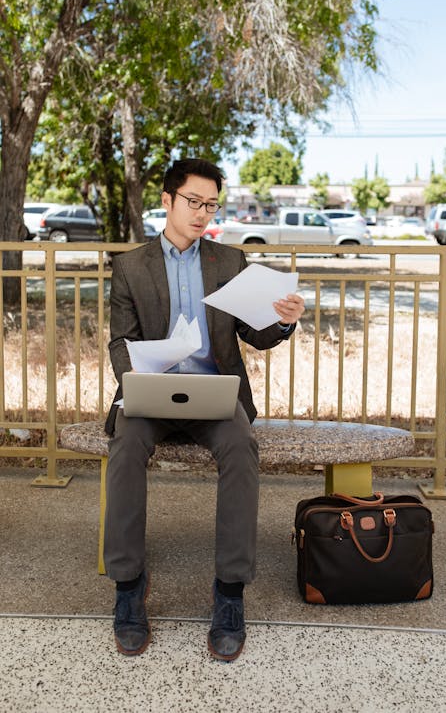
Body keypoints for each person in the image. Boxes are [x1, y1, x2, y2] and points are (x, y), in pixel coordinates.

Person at [104, 158, 305, 661]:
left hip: (215, 392)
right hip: (151, 391)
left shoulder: (227, 261)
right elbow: (119, 344)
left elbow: (253, 334)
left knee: (241, 447)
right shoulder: (131, 266)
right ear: (167, 201)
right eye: (193, 202)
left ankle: (230, 593)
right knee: (125, 445)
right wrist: (134, 377)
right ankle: (128, 586)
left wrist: (283, 323)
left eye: (211, 204)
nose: (202, 213)